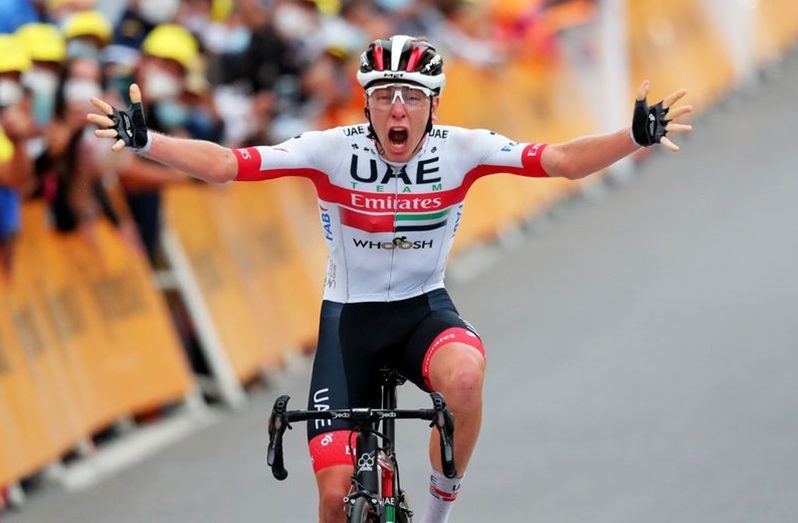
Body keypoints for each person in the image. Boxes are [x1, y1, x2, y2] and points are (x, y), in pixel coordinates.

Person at [87, 35, 692, 523]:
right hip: (348, 322)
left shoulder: (462, 148)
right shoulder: (330, 149)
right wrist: (147, 141)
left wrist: (633, 136)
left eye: (411, 96)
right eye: (383, 96)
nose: (396, 109)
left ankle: (435, 512)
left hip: (420, 311)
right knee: (332, 499)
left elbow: (559, 161)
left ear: (434, 103)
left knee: (465, 375)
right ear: (366, 103)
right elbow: (225, 165)